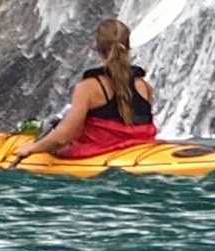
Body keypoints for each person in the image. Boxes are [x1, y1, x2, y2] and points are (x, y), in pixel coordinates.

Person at [22, 19, 160, 160]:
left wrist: (33, 148)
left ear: (97, 47)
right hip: (142, 153)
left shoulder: (88, 88)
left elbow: (62, 138)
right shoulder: (144, 86)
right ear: (127, 45)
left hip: (99, 156)